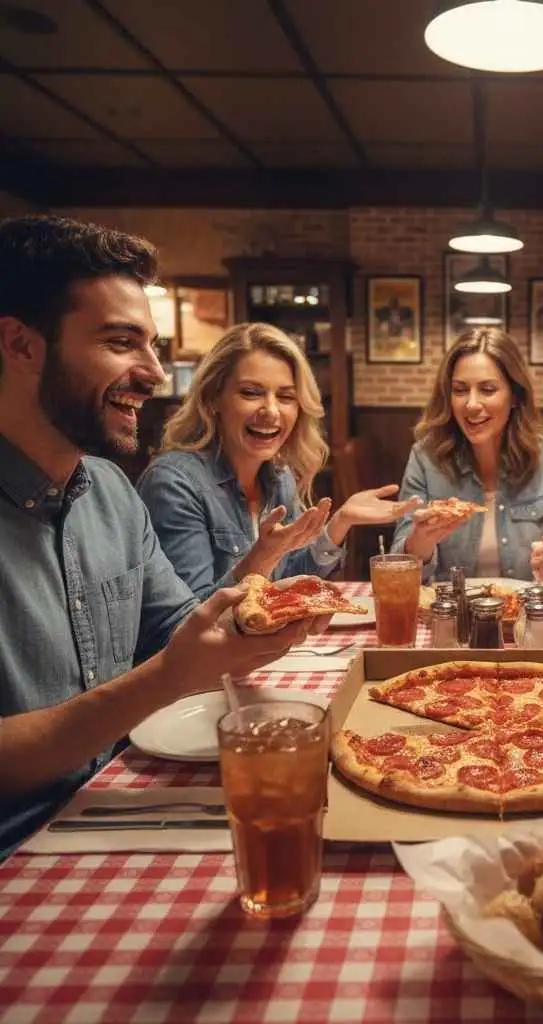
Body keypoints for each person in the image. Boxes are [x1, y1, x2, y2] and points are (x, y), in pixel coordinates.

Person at [0, 215, 312, 858]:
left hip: (122, 810)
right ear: (21, 344)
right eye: (120, 342)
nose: (153, 372)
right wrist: (173, 673)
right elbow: (176, 666)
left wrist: (251, 629)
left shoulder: (113, 494)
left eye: (151, 345)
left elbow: (184, 633)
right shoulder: (168, 479)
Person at [137, 322, 416, 600]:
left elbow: (291, 579)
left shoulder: (279, 477)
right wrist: (262, 556)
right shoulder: (173, 483)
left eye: (285, 397)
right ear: (213, 399)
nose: (271, 411)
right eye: (251, 392)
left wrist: (339, 523)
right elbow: (189, 621)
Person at [392, 327, 543, 583]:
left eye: (487, 389)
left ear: (515, 397)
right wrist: (420, 541)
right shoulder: (424, 457)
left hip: (527, 614)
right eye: (460, 390)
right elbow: (400, 565)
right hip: (449, 613)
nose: (472, 404)